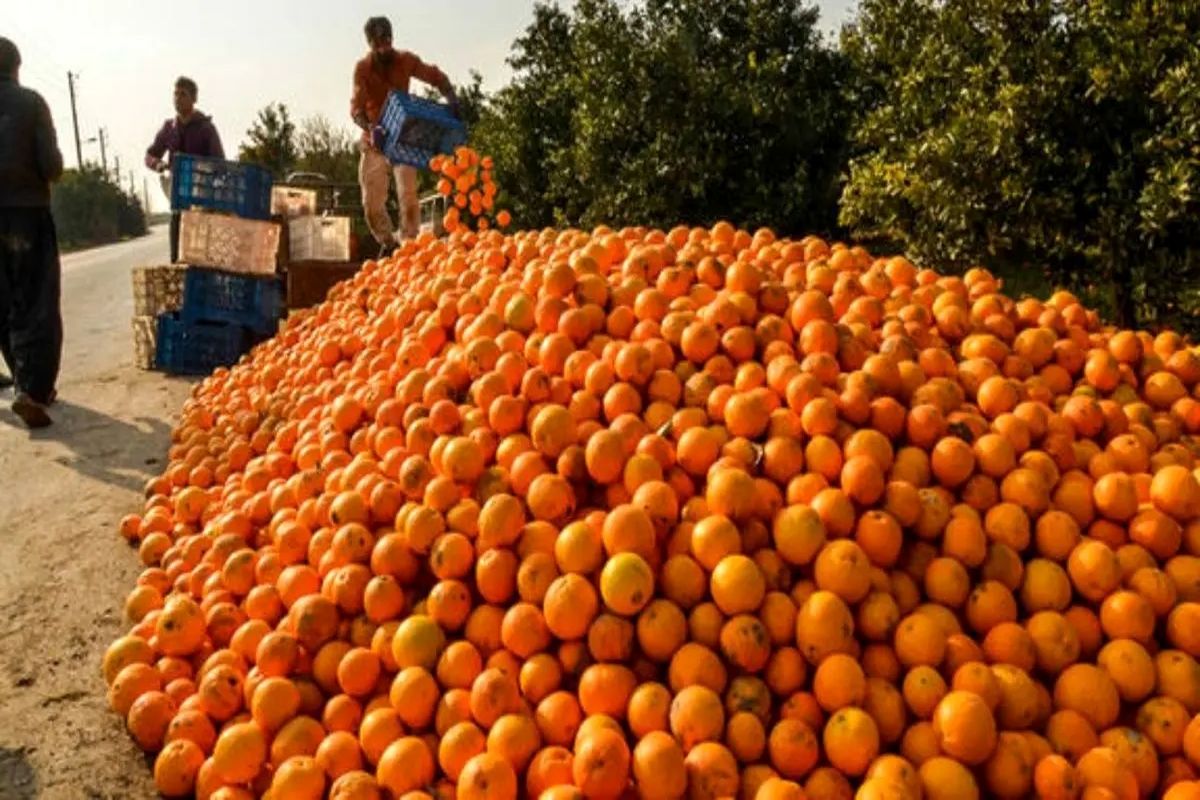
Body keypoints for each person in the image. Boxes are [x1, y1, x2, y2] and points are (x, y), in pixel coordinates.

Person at [351, 16, 457, 256]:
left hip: (402, 138)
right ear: (370, 43)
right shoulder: (363, 69)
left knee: (408, 197)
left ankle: (409, 245)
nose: (385, 46)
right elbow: (356, 108)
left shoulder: (405, 60)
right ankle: (388, 243)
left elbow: (435, 76)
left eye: (388, 40)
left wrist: (451, 97)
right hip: (375, 139)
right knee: (371, 203)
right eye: (379, 42)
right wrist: (370, 128)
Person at [0, 37, 64, 429]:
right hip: (26, 215)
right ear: (17, 68)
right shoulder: (32, 103)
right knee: (37, 301)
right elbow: (51, 165)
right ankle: (35, 389)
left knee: (4, 300)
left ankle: (23, 380)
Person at [145, 76, 224, 263]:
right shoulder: (169, 128)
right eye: (175, 94)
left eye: (183, 94)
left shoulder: (206, 128)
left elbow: (219, 163)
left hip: (202, 206)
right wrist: (159, 165)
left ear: (194, 99)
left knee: (202, 259)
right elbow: (150, 155)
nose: (178, 99)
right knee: (177, 259)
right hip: (178, 203)